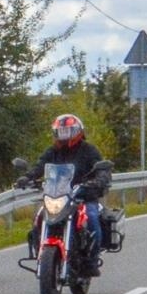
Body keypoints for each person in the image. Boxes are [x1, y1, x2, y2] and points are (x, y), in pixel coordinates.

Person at [26, 113, 106, 271]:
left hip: (83, 197)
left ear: (78, 131)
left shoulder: (89, 150)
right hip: (57, 196)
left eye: (68, 131)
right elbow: (40, 165)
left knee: (92, 219)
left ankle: (91, 260)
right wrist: (28, 177)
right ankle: (40, 251)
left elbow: (101, 168)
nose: (64, 135)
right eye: (61, 131)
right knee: (39, 218)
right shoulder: (53, 151)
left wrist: (100, 179)